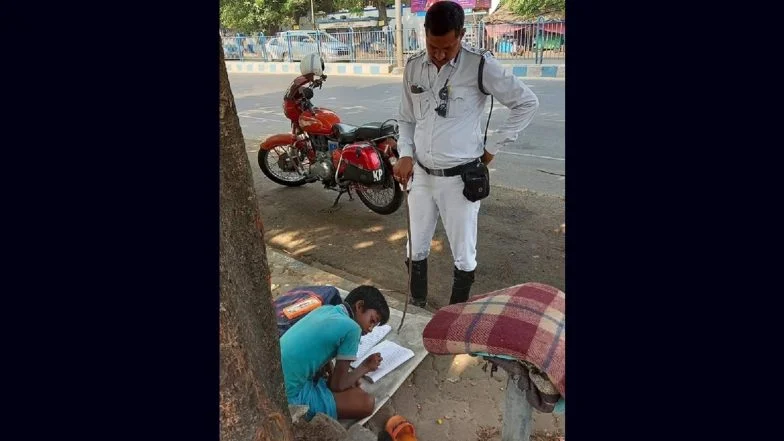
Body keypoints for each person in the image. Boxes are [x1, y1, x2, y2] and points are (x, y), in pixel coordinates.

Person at [393, 1, 539, 308]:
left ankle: (455, 314)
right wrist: (405, 153)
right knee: (415, 246)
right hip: (421, 175)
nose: (439, 55)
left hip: (460, 180)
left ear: (461, 34)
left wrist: (492, 147)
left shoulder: (479, 65)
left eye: (447, 48)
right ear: (425, 34)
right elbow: (406, 118)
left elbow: (526, 102)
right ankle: (417, 305)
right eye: (433, 47)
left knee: (463, 253)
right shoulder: (413, 66)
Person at [279, 285, 391, 421]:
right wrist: (365, 367)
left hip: (274, 379)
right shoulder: (353, 329)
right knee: (366, 402)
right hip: (287, 397)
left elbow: (323, 356)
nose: (371, 329)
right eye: (372, 321)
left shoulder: (325, 309)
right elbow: (337, 386)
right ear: (359, 306)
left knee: (348, 387)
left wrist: (340, 377)